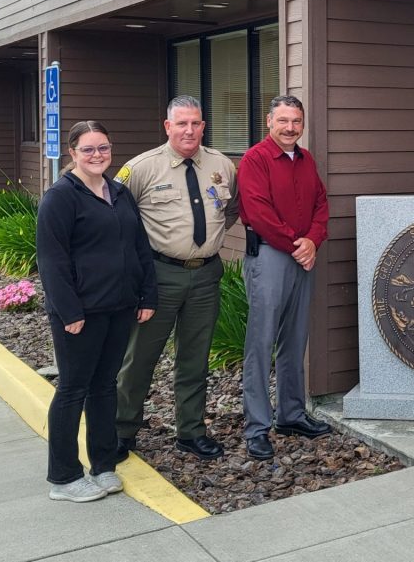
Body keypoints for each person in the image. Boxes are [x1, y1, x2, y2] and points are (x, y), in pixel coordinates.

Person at [36, 121, 158, 501]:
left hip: (119, 306)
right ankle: (64, 477)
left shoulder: (119, 192)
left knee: (105, 387)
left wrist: (147, 295)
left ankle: (103, 465)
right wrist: (69, 311)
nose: (97, 156)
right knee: (73, 389)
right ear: (72, 153)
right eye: (88, 149)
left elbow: (140, 247)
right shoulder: (60, 197)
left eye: (103, 148)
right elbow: (51, 261)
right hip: (80, 314)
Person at [114, 96, 238, 460]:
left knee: (195, 357)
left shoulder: (221, 165)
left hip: (205, 276)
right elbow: (119, 221)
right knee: (140, 358)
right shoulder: (140, 169)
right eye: (181, 123)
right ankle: (122, 430)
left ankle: (190, 430)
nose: (189, 130)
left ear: (203, 125)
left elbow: (230, 210)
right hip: (158, 277)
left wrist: (203, 245)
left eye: (196, 123)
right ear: (167, 126)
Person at [237, 95, 331, 460]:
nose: (290, 128)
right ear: (269, 121)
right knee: (260, 344)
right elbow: (258, 212)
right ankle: (257, 427)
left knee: (295, 338)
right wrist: (299, 244)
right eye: (283, 121)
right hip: (271, 256)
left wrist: (313, 239)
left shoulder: (306, 160)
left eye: (296, 121)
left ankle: (290, 414)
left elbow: (321, 203)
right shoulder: (255, 160)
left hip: (302, 255)